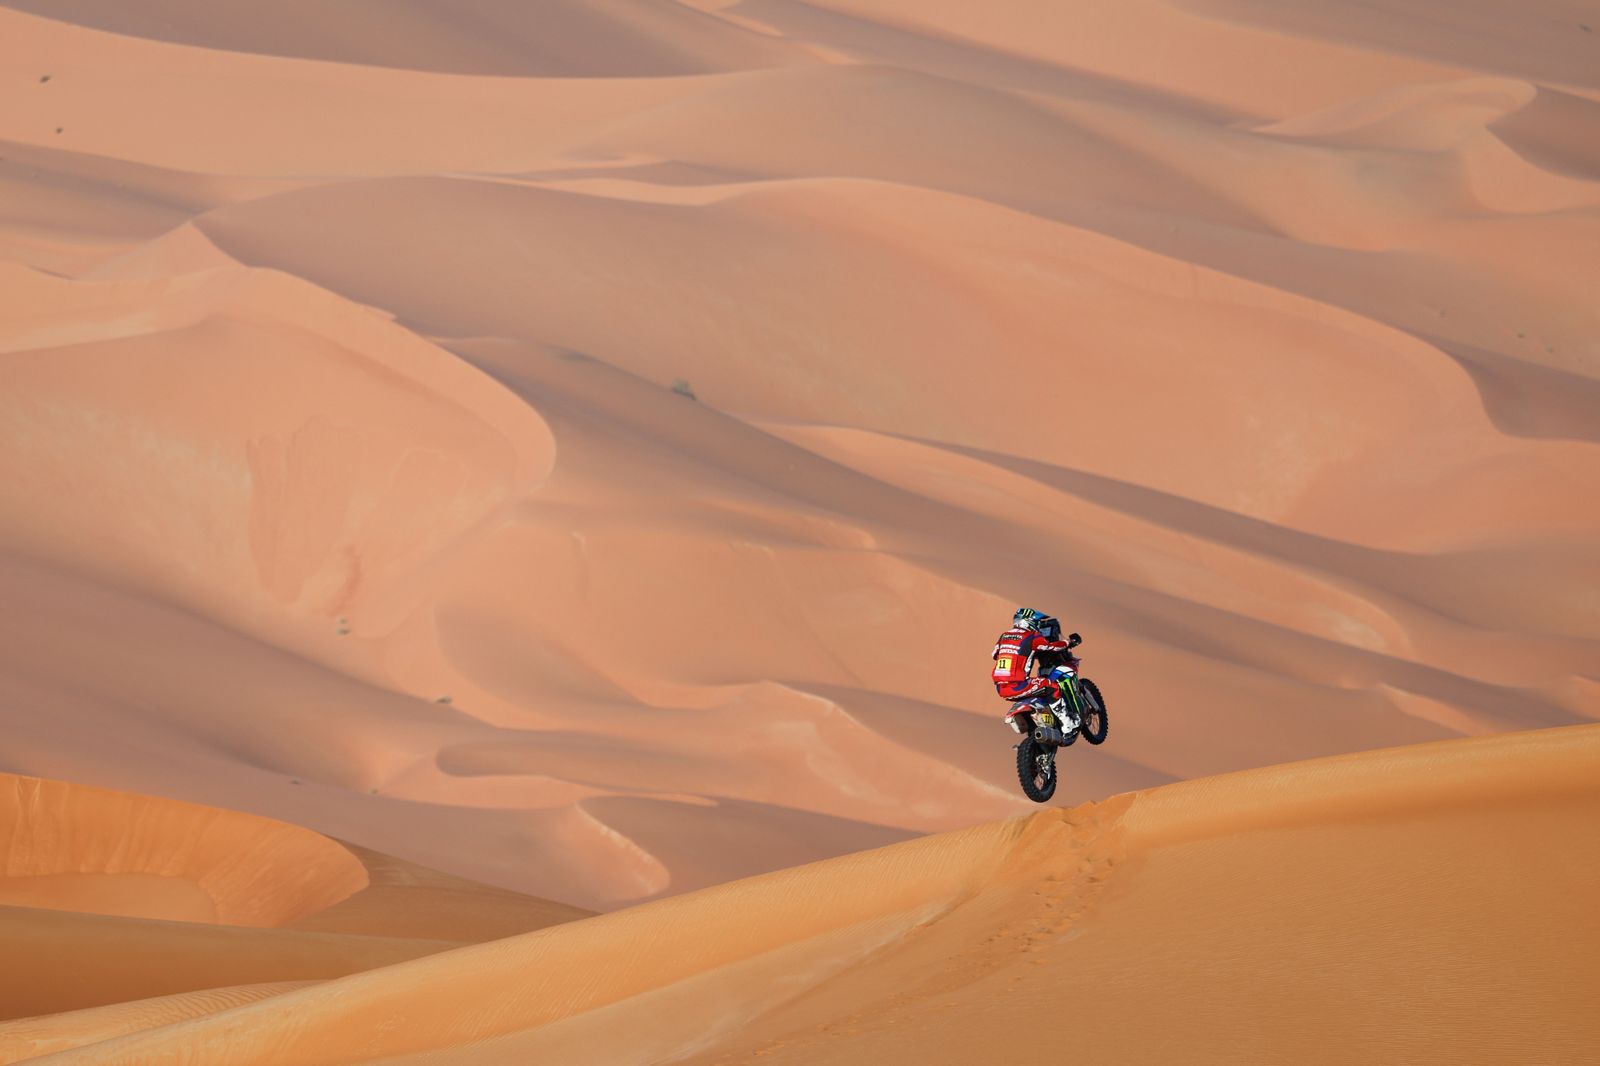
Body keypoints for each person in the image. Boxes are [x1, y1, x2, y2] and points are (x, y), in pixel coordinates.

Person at [991, 607, 1079, 729]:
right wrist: (1068, 642)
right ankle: (1068, 724)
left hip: (1001, 688)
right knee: (1053, 687)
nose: (1038, 625)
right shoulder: (1031, 636)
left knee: (1038, 689)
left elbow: (995, 654)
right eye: (1037, 622)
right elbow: (1052, 648)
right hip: (1019, 685)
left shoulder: (1004, 636)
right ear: (1029, 621)